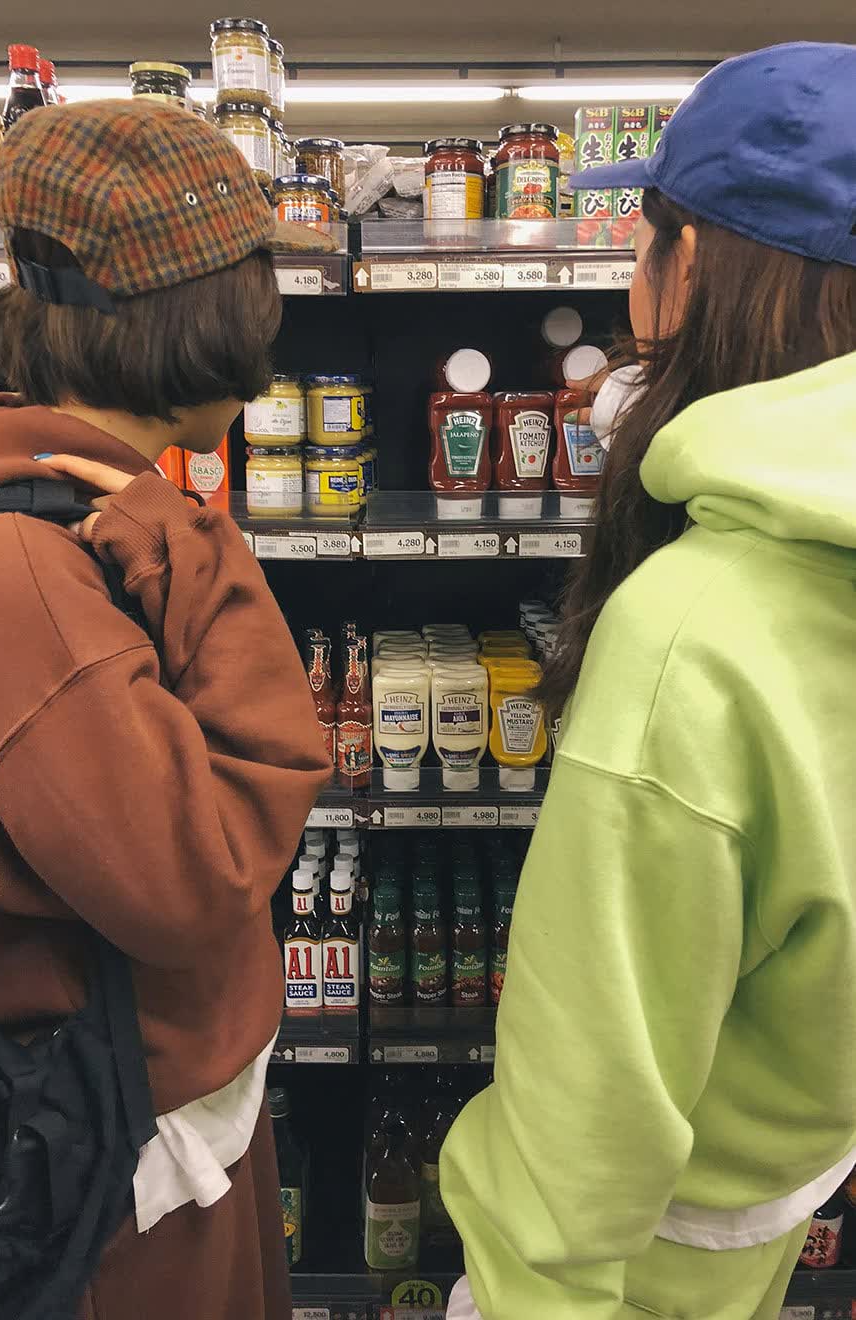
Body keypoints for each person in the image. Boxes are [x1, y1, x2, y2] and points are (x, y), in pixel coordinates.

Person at [441, 41, 856, 1320]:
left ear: (701, 268)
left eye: (651, 231)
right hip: (782, 1177)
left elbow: (582, 1140)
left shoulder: (692, 639)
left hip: (641, 1265)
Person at [0, 100, 332, 1318]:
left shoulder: (70, 506)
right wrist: (206, 556)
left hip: (143, 1121)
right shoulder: (28, 571)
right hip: (109, 1184)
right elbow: (197, 877)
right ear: (210, 314)